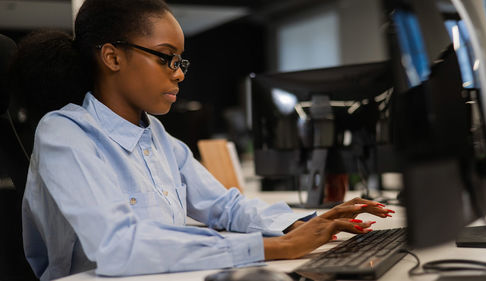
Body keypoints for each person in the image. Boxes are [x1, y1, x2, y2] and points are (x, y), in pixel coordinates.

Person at [14, 0, 394, 280]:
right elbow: (119, 248)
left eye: (181, 61)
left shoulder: (156, 135)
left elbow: (224, 207)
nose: (179, 74)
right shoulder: (65, 134)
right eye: (167, 58)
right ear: (112, 57)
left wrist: (300, 224)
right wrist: (275, 247)